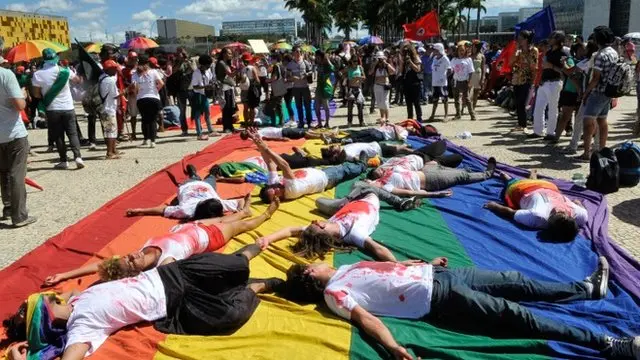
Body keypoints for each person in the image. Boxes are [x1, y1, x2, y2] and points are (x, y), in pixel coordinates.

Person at [282, 257, 639, 360]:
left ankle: (585, 290)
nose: (314, 260)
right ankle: (608, 344)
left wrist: (422, 262)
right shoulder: (335, 292)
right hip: (438, 298)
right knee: (519, 316)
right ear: (311, 275)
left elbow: (385, 268)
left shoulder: (345, 269)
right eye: (309, 264)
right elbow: (365, 318)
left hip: (439, 273)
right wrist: (393, 348)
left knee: (514, 279)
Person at [3, 244, 285, 360]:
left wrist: (64, 277)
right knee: (227, 316)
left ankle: (259, 245)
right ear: (46, 319)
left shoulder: (79, 297)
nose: (50, 296)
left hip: (172, 273)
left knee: (234, 264)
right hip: (175, 301)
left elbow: (87, 279)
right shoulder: (82, 327)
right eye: (24, 310)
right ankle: (262, 285)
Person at [43, 199, 279, 286]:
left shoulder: (140, 252)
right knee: (240, 226)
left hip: (193, 227)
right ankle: (266, 214)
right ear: (134, 271)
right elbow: (169, 278)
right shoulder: (165, 261)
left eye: (126, 257)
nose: (130, 256)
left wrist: (65, 275)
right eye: (130, 262)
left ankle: (245, 210)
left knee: (229, 217)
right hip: (209, 239)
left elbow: (101, 265)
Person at [257, 193, 426, 262]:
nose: (314, 221)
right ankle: (399, 200)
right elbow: (378, 249)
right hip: (368, 194)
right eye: (314, 222)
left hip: (344, 204)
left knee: (319, 202)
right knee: (374, 184)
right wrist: (399, 265)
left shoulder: (324, 230)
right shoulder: (355, 233)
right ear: (320, 224)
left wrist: (268, 239)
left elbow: (290, 230)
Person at [248, 130, 367, 203]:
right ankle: (362, 165)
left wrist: (258, 143)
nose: (276, 188)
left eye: (273, 188)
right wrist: (266, 148)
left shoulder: (275, 184)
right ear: (277, 198)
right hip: (325, 178)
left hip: (316, 171)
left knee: (339, 166)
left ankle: (353, 161)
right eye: (275, 193)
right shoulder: (290, 191)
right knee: (344, 170)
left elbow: (270, 164)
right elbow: (284, 165)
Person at [484, 170, 587, 242]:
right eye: (564, 213)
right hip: (549, 187)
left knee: (513, 185)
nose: (559, 210)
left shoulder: (537, 217)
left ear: (550, 222)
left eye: (556, 213)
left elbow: (511, 213)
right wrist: (578, 203)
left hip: (524, 189)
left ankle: (509, 180)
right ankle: (533, 177)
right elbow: (580, 205)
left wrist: (494, 206)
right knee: (537, 182)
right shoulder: (580, 216)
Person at [125, 164, 246, 220]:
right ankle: (201, 174)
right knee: (206, 179)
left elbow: (163, 210)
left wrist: (141, 210)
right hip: (194, 186)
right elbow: (162, 210)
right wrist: (141, 211)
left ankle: (207, 173)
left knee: (209, 179)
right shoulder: (188, 210)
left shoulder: (217, 203)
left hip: (199, 186)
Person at [0, 47, 36, 228]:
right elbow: (19, 105)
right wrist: (22, 94)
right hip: (13, 132)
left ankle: (7, 208)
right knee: (16, 173)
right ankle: (19, 215)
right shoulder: (6, 75)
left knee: (4, 173)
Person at [31, 48, 85, 170]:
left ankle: (63, 160)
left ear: (43, 59)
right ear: (56, 58)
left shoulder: (38, 74)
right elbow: (78, 81)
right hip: (68, 107)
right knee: (72, 133)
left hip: (52, 108)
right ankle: (78, 157)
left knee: (59, 136)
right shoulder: (65, 71)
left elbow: (36, 94)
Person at [367, 157, 497, 197]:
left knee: (454, 170)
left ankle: (469, 171)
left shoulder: (390, 170)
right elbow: (408, 192)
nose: (379, 171)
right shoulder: (385, 186)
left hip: (428, 170)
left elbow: (406, 164)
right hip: (431, 181)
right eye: (376, 173)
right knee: (461, 176)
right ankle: (487, 174)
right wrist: (435, 194)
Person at [580, 26, 618, 161]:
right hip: (608, 92)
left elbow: (595, 78)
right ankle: (601, 150)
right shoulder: (614, 53)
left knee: (588, 122)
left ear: (597, 39)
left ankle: (586, 153)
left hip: (598, 92)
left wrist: (586, 93)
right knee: (602, 121)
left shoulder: (600, 55)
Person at [530, 31, 566, 139]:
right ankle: (538, 130)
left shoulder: (563, 54)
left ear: (558, 39)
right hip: (544, 82)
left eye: (552, 37)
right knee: (538, 108)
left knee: (553, 109)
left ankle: (551, 132)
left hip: (555, 82)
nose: (549, 39)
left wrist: (552, 67)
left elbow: (567, 70)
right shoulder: (549, 52)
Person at [129, 55, 163, 148]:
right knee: (153, 119)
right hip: (154, 98)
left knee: (145, 119)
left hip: (142, 99)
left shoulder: (135, 74)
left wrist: (137, 94)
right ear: (147, 63)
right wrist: (156, 90)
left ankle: (146, 139)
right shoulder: (153, 72)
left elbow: (134, 87)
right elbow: (161, 83)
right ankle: (153, 141)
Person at [509, 30, 539, 132]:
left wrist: (533, 82)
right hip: (517, 79)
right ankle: (521, 124)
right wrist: (516, 51)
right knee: (518, 103)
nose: (519, 41)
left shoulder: (533, 50)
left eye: (520, 39)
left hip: (527, 79)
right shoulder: (519, 51)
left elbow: (534, 67)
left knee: (523, 101)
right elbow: (510, 63)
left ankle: (524, 124)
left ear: (526, 39)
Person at [98, 60, 124, 159]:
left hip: (105, 108)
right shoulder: (110, 80)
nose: (116, 70)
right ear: (109, 69)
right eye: (114, 68)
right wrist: (126, 90)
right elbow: (115, 95)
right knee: (110, 132)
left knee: (111, 131)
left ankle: (113, 150)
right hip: (108, 108)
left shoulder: (102, 78)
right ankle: (109, 152)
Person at [286, 46, 313, 128]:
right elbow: (287, 77)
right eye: (296, 52)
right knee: (299, 106)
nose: (298, 53)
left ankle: (309, 122)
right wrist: (292, 78)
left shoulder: (305, 62)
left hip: (305, 87)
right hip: (296, 88)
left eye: (299, 52)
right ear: (293, 53)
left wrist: (306, 74)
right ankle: (301, 122)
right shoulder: (290, 65)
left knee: (307, 106)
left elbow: (311, 72)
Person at [190, 55, 216, 140]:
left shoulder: (208, 71)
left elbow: (211, 78)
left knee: (207, 112)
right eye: (208, 65)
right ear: (203, 65)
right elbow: (195, 86)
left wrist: (212, 83)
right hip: (198, 95)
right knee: (197, 114)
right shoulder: (196, 73)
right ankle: (199, 133)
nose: (209, 66)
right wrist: (205, 86)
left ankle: (210, 130)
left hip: (205, 95)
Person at [451, 44, 476, 121]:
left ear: (465, 51)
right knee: (456, 99)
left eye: (462, 50)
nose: (461, 52)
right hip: (456, 81)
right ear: (457, 51)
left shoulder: (468, 60)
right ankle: (458, 114)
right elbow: (450, 69)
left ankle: (472, 115)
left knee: (467, 99)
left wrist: (469, 81)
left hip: (465, 81)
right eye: (459, 50)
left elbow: (471, 71)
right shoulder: (454, 60)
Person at [399, 44, 424, 122]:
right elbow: (400, 71)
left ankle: (419, 118)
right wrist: (402, 62)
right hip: (406, 83)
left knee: (416, 102)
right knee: (408, 103)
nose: (406, 53)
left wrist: (410, 62)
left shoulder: (416, 58)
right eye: (405, 51)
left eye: (408, 51)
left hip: (415, 83)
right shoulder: (403, 59)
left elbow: (418, 69)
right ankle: (410, 118)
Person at [369, 51, 396, 123]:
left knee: (385, 102)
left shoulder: (386, 65)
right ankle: (382, 117)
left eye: (381, 59)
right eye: (379, 59)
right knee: (379, 102)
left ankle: (386, 117)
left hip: (385, 86)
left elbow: (393, 71)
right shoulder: (375, 66)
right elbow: (370, 73)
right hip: (377, 85)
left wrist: (386, 63)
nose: (380, 60)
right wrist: (375, 64)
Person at [428, 43, 451, 122]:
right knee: (435, 99)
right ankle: (432, 115)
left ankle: (446, 115)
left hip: (442, 83)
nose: (433, 51)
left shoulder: (445, 58)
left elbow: (449, 70)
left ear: (439, 50)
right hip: (435, 82)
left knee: (444, 99)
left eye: (435, 49)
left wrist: (444, 77)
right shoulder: (434, 58)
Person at [215, 48, 237, 133]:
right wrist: (239, 68)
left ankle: (230, 126)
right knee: (226, 108)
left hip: (229, 87)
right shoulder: (221, 63)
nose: (230, 55)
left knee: (231, 108)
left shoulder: (226, 63)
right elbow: (230, 74)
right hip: (224, 88)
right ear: (224, 54)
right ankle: (226, 127)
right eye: (229, 53)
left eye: (231, 53)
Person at [239, 52, 261, 127]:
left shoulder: (241, 69)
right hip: (251, 89)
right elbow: (257, 80)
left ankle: (246, 123)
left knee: (245, 108)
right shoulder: (252, 68)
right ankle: (251, 123)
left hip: (244, 89)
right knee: (252, 108)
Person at [314, 50, 334, 128]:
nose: (316, 58)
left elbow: (333, 68)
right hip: (319, 88)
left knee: (326, 107)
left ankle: (327, 123)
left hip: (325, 88)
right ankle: (319, 123)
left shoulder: (327, 65)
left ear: (322, 57)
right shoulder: (318, 65)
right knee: (316, 107)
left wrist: (327, 59)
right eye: (316, 57)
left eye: (318, 57)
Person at [345, 57, 366, 127]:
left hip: (358, 88)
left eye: (356, 61)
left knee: (360, 106)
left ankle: (361, 121)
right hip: (351, 88)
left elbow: (364, 77)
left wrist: (358, 78)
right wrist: (357, 78)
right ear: (351, 62)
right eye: (354, 61)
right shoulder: (349, 69)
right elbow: (349, 80)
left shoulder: (360, 68)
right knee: (350, 107)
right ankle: (349, 121)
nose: (355, 63)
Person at [239, 127, 322, 141]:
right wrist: (281, 139)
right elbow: (267, 138)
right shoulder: (256, 136)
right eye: (247, 131)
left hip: (282, 130)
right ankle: (320, 137)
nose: (248, 129)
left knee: (306, 130)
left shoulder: (255, 132)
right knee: (304, 133)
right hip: (282, 133)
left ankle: (324, 134)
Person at [470, 42, 486, 110]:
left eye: (474, 47)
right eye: (472, 47)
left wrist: (482, 78)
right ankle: (466, 106)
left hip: (478, 75)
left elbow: (483, 68)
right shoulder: (469, 56)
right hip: (470, 75)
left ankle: (473, 107)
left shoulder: (482, 56)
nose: (473, 49)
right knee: (469, 92)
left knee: (476, 93)